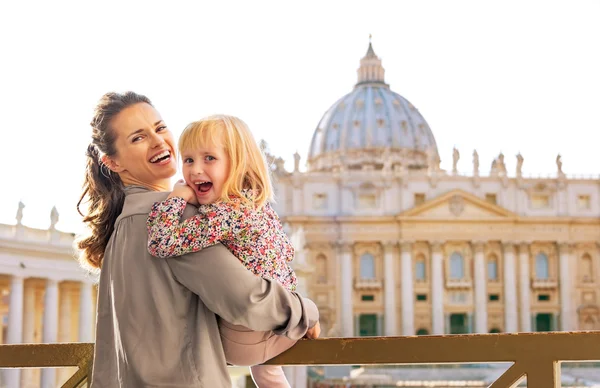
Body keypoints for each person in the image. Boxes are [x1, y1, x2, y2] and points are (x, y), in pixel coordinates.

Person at [76, 92, 320, 387]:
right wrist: (306, 311)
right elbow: (246, 300)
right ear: (113, 162)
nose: (158, 142)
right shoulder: (173, 217)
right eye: (138, 138)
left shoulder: (119, 226)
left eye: (160, 127)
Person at [146, 115, 306, 387]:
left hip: (245, 336)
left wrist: (175, 199)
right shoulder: (255, 204)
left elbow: (161, 241)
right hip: (273, 321)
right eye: (188, 160)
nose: (195, 170)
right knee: (270, 376)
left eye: (209, 158)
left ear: (238, 163)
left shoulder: (228, 213)